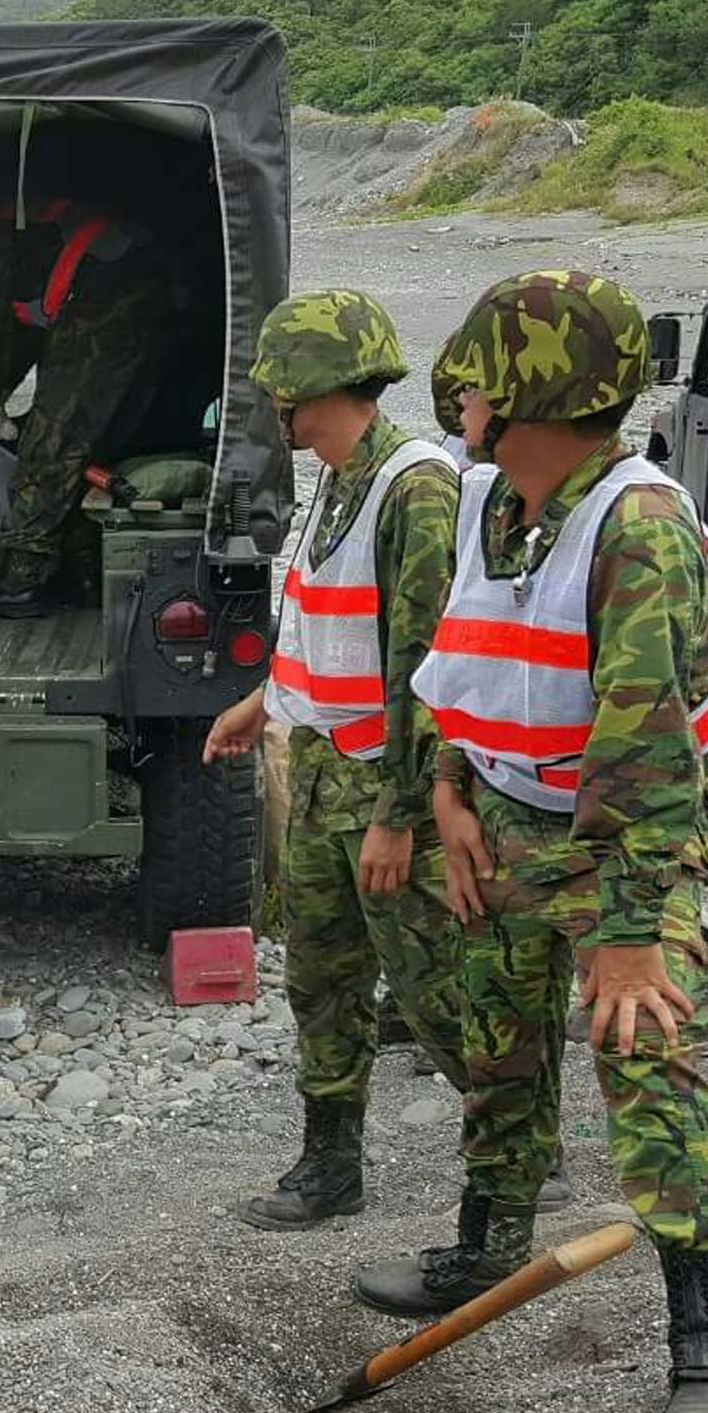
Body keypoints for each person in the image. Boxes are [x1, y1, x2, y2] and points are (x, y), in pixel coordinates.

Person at [377, 269, 708, 1413]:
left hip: (619, 855)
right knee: (500, 1053)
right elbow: (468, 661)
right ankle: (487, 1241)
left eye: (480, 375)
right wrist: (448, 795)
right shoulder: (498, 500)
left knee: (649, 1074)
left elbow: (647, 751)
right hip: (497, 823)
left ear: (521, 389)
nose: (461, 395)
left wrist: (631, 929)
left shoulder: (636, 525)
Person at [197, 292, 470, 1229]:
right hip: (322, 776)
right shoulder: (341, 480)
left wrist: (401, 816)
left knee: (433, 982)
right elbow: (323, 625)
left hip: (381, 791)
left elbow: (425, 669)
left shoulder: (415, 487)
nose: (275, 408)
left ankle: (520, 1145)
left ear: (316, 384)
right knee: (322, 978)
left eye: (283, 389)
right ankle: (329, 1165)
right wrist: (260, 702)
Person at [0, 197, 175, 614]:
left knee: (51, 443)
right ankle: (82, 573)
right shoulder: (31, 227)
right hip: (143, 297)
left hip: (102, 303)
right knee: (89, 450)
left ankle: (23, 578)